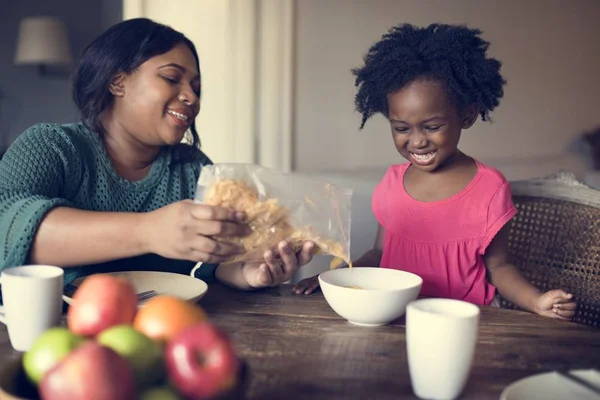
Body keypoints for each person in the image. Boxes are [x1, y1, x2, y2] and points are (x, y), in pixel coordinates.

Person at [0, 18, 315, 290]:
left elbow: (216, 262)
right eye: (171, 78)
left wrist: (250, 272)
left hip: (171, 331)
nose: (191, 97)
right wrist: (148, 231)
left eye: (196, 87)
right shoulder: (51, 147)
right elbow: (7, 230)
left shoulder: (193, 170)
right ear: (118, 82)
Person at [293, 23, 577, 321]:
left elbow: (500, 268)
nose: (416, 141)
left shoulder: (489, 188)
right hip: (395, 320)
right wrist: (335, 280)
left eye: (432, 127)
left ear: (465, 116)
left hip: (462, 323)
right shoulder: (392, 182)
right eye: (401, 128)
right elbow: (379, 255)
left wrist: (536, 301)